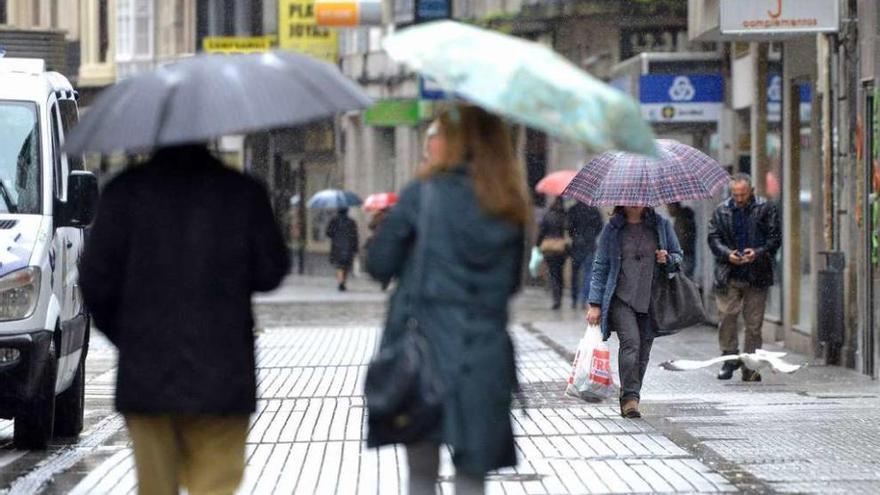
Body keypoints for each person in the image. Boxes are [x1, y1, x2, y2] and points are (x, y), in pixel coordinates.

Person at [80, 144, 290, 495]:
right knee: (216, 485)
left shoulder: (125, 192)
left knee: (156, 487)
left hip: (147, 376)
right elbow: (271, 271)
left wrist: (130, 338)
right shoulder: (241, 191)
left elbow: (94, 283)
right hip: (223, 374)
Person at [365, 104, 529, 495]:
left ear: (453, 142)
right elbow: (510, 285)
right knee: (472, 477)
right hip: (484, 356)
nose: (431, 142)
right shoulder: (509, 204)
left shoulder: (422, 194)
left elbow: (378, 264)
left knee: (421, 476)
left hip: (423, 353)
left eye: (437, 134)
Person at [586, 206, 682, 418]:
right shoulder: (612, 229)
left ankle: (631, 393)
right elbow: (600, 265)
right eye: (630, 199)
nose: (635, 202)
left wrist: (668, 259)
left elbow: (678, 256)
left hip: (651, 298)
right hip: (621, 298)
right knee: (631, 344)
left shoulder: (661, 225)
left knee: (643, 351)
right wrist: (595, 303)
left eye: (640, 199)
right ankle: (629, 399)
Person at [708, 173, 781, 382]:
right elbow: (713, 238)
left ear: (752, 192)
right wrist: (727, 254)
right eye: (735, 194)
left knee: (753, 324)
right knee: (727, 317)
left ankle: (751, 364)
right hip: (729, 273)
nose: (739, 198)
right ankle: (729, 358)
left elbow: (775, 238)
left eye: (743, 194)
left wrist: (756, 252)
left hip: (757, 274)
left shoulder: (765, 208)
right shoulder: (721, 210)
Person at [567, 202, 603, 308]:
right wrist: (591, 235)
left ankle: (574, 299)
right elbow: (599, 226)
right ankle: (584, 298)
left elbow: (569, 227)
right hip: (589, 245)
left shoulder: (573, 209)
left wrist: (575, 236)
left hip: (577, 245)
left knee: (575, 274)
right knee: (588, 273)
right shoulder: (594, 210)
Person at [537, 197, 568, 310]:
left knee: (553, 273)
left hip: (549, 248)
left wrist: (538, 244)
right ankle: (559, 296)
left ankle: (556, 299)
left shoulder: (548, 215)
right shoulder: (564, 216)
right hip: (561, 248)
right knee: (559, 273)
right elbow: (568, 230)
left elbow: (542, 231)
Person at [326, 207, 359, 291]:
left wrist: (334, 235)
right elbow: (355, 235)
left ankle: (340, 282)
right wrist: (355, 248)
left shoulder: (334, 221)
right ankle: (343, 281)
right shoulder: (351, 222)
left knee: (339, 266)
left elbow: (328, 233)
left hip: (337, 246)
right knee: (346, 266)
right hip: (349, 246)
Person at [667, 202, 697, 279]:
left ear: (674, 205)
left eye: (669, 206)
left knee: (682, 282)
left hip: (684, 257)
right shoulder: (682, 218)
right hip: (685, 256)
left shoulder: (682, 219)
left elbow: (682, 241)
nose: (668, 210)